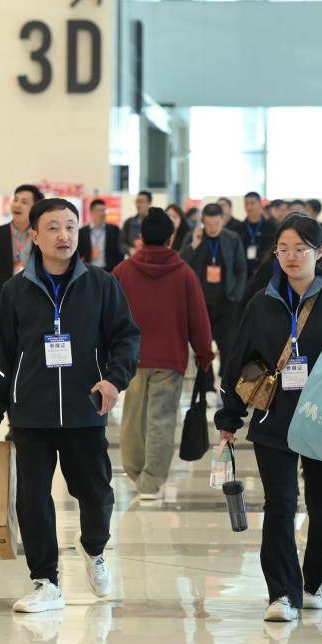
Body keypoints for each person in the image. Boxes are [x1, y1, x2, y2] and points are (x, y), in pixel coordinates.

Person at [0, 197, 140, 614]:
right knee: (32, 500)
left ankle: (94, 549)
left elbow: (126, 337)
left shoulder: (101, 284)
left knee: (96, 494)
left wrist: (114, 380)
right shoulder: (14, 291)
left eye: (70, 226)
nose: (63, 235)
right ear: (34, 235)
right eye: (53, 228)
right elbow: (2, 356)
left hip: (86, 411)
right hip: (31, 414)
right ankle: (45, 581)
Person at [216, 214, 322, 623]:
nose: (292, 257)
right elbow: (238, 359)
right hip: (273, 420)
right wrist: (229, 416)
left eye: (300, 249)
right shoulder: (261, 304)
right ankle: (281, 592)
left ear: (319, 252)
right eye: (284, 250)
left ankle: (318, 584)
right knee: (280, 504)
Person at [113, 209, 214, 501]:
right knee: (162, 419)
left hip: (130, 360)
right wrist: (204, 355)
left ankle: (136, 473)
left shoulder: (123, 272)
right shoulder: (184, 273)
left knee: (132, 417)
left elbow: (107, 316)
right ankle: (151, 482)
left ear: (140, 236)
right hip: (170, 358)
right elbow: (199, 319)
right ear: (172, 237)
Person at [181, 203, 249, 366]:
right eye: (208, 224)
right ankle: (205, 386)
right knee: (202, 347)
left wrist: (236, 295)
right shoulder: (194, 237)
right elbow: (180, 263)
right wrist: (193, 246)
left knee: (227, 345)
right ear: (203, 220)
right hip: (200, 302)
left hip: (226, 301)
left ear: (223, 220)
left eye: (216, 224)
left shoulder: (232, 238)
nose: (212, 229)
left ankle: (225, 383)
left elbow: (241, 269)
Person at [0, 185, 45, 332]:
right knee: (1, 353)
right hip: (0, 306)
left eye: (24, 202)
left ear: (35, 207)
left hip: (34, 307)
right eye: (15, 199)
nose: (17, 204)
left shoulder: (42, 236)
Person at [239, 192, 278, 276]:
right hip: (244, 273)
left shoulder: (271, 228)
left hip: (265, 272)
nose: (249, 207)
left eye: (252, 203)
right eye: (246, 204)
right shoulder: (238, 228)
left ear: (260, 205)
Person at [119, 190, 152, 256]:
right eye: (137, 201)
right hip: (133, 261)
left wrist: (145, 244)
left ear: (149, 203)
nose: (138, 205)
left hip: (151, 261)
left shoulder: (156, 223)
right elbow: (121, 243)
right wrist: (129, 249)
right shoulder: (128, 222)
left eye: (141, 202)